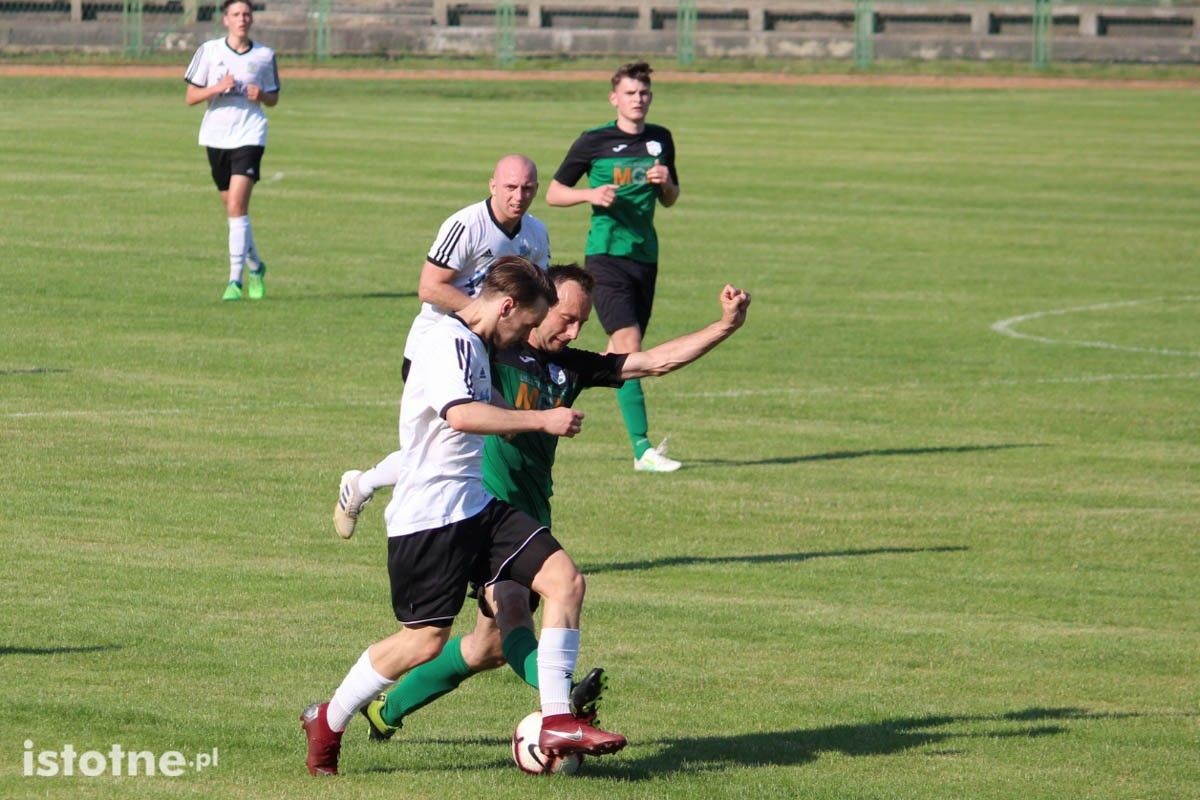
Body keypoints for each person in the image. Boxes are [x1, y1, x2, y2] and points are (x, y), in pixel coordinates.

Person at [355, 266, 751, 741]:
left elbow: (652, 363)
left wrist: (725, 325)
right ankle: (563, 706)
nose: (573, 331)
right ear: (537, 307)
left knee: (489, 648)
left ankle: (386, 710)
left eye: (582, 322)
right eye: (565, 318)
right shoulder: (491, 346)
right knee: (517, 609)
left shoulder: (570, 366)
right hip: (482, 509)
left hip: (532, 511)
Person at [301, 258, 627, 776]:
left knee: (565, 582)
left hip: (478, 506)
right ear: (506, 307)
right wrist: (540, 418)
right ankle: (329, 717)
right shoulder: (447, 342)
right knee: (423, 641)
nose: (525, 335)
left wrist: (515, 406)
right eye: (524, 324)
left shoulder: (479, 343)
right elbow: (461, 414)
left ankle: (559, 718)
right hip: (429, 518)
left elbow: (484, 399)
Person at [334, 154, 550, 539]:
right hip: (437, 346)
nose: (519, 196)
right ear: (492, 185)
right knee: (445, 446)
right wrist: (479, 316)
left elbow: (534, 300)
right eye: (511, 187)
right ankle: (369, 489)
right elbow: (430, 287)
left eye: (528, 188)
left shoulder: (536, 235)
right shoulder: (466, 225)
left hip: (488, 350)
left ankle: (372, 489)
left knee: (460, 447)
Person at [546, 61, 682, 472]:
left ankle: (551, 389)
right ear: (614, 98)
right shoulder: (594, 141)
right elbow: (554, 192)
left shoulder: (660, 139)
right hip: (605, 257)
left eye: (644, 93)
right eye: (630, 93)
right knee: (629, 346)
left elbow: (671, 199)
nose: (638, 100)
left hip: (645, 256)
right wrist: (589, 195)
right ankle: (642, 450)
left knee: (618, 352)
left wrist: (665, 184)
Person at [184, 0, 279, 302]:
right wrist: (216, 88)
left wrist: (260, 94)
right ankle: (256, 266)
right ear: (225, 19)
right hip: (216, 137)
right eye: (236, 14)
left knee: (237, 206)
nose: (242, 19)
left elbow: (274, 97)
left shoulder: (264, 55)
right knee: (234, 211)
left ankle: (234, 281)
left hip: (250, 134)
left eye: (247, 14)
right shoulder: (209, 51)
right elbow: (190, 96)